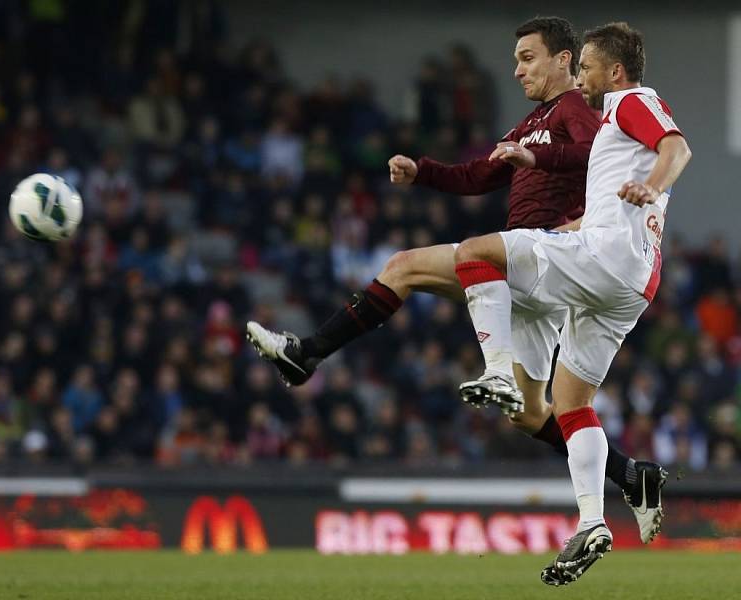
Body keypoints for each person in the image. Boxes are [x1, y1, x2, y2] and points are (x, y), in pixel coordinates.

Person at [246, 17, 664, 540]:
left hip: (549, 259)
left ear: (563, 59)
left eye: (527, 57)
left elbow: (592, 153)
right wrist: (423, 171)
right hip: (533, 270)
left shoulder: (580, 111)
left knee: (406, 266)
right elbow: (479, 175)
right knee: (533, 415)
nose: (517, 70)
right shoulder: (531, 122)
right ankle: (631, 475)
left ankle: (307, 353)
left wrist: (537, 159)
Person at [451, 22, 691, 585]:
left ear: (613, 71)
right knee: (570, 402)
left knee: (474, 254)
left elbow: (676, 148)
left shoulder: (632, 100)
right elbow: (615, 198)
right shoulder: (614, 130)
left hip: (605, 259)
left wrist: (654, 183)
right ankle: (591, 521)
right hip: (628, 285)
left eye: (584, 67)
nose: (578, 76)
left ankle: (496, 373)